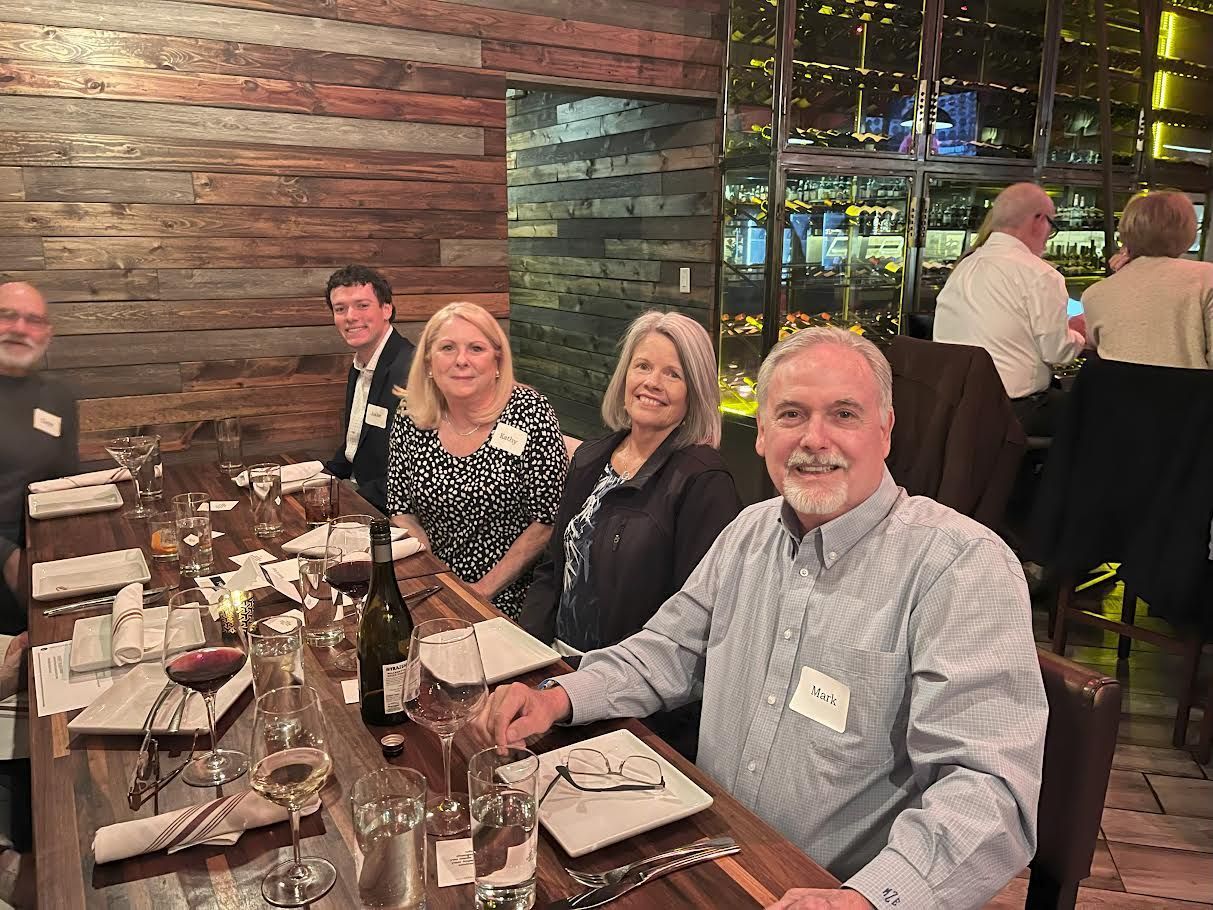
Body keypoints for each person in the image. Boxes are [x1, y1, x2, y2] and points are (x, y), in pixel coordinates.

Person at [477, 327, 1047, 910]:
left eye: (844, 413)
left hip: (833, 889)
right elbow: (666, 652)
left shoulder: (960, 567)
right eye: (791, 414)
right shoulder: (748, 532)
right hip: (706, 854)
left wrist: (869, 899)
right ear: (762, 433)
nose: (815, 439)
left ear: (886, 428)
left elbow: (988, 791)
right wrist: (557, 697)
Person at [518, 311, 741, 757]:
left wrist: (590, 686)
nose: (652, 383)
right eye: (643, 366)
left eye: (672, 374)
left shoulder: (702, 480)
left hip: (632, 704)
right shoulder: (592, 456)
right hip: (558, 675)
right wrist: (524, 656)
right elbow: (553, 570)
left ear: (694, 392)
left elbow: (694, 624)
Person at [386, 302, 567, 619]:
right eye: (447, 348)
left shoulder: (529, 411)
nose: (461, 360)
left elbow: (547, 521)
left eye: (476, 348)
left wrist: (481, 591)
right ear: (429, 361)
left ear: (497, 359)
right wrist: (432, 570)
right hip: (433, 585)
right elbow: (400, 507)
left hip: (514, 595)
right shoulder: (412, 414)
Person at [933, 182, 1086, 436]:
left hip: (955, 405)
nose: (1049, 233)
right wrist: (1077, 332)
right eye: (1052, 225)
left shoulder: (965, 265)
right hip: (1014, 410)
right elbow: (1058, 353)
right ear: (1038, 220)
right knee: (1100, 415)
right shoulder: (1040, 274)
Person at [0, 282, 78, 635]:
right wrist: (8, 557)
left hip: (49, 556)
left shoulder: (58, 396)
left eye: (33, 320)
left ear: (47, 333)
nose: (19, 328)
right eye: (6, 316)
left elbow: (66, 483)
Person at [1080, 191, 1213, 369]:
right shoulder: (1207, 279)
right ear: (1188, 232)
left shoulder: (1094, 293)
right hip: (1191, 395)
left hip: (1116, 395)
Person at [321, 265, 415, 513]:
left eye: (362, 305)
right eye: (340, 309)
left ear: (387, 309)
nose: (350, 316)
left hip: (389, 510)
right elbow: (354, 448)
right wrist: (316, 482)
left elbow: (416, 475)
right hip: (357, 494)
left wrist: (350, 502)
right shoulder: (359, 365)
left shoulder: (412, 371)